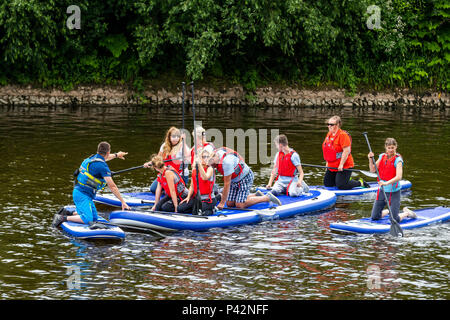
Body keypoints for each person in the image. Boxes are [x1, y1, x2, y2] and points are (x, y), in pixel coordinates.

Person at [52, 141, 131, 227]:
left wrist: (116, 155)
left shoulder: (92, 158)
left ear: (98, 151)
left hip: (82, 192)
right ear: (108, 152)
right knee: (87, 219)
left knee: (94, 218)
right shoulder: (102, 167)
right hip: (82, 195)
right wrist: (122, 202)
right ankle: (62, 218)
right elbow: (112, 187)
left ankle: (68, 213)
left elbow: (106, 158)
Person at [208, 147, 281, 210]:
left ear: (214, 159)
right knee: (230, 203)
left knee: (239, 205)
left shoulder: (226, 163)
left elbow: (227, 184)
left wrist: (222, 203)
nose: (211, 166)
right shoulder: (216, 153)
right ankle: (255, 195)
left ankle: (266, 197)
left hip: (245, 178)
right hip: (234, 180)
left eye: (211, 164)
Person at [368, 138, 417, 222]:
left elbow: (399, 177)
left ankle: (406, 213)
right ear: (385, 147)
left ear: (396, 147)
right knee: (375, 217)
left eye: (392, 147)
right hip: (382, 191)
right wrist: (370, 159)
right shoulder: (382, 156)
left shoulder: (398, 160)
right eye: (389, 148)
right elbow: (372, 170)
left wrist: (386, 183)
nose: (391, 150)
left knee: (394, 219)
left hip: (394, 192)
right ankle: (388, 211)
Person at [322, 115, 369, 190]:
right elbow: (328, 150)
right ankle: (344, 179)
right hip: (332, 165)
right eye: (328, 124)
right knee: (327, 184)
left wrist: (341, 164)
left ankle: (360, 182)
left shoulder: (343, 135)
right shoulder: (329, 134)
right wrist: (327, 163)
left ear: (338, 125)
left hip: (344, 165)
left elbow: (346, 151)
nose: (329, 126)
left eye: (331, 124)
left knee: (341, 186)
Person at [146, 127, 190, 193]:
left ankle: (171, 190)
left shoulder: (183, 146)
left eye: (177, 136)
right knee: (153, 189)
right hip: (166, 173)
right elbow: (158, 158)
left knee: (173, 191)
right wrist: (150, 163)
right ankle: (166, 190)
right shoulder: (164, 146)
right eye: (173, 136)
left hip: (180, 175)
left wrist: (184, 141)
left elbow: (188, 159)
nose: (175, 138)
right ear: (169, 137)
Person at [179, 148, 220, 215]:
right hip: (197, 198)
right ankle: (196, 209)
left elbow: (205, 177)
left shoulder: (210, 169)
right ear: (201, 158)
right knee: (180, 208)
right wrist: (188, 197)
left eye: (207, 157)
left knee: (197, 213)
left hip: (208, 200)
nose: (206, 158)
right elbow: (192, 186)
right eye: (204, 157)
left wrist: (199, 165)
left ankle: (212, 209)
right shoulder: (195, 170)